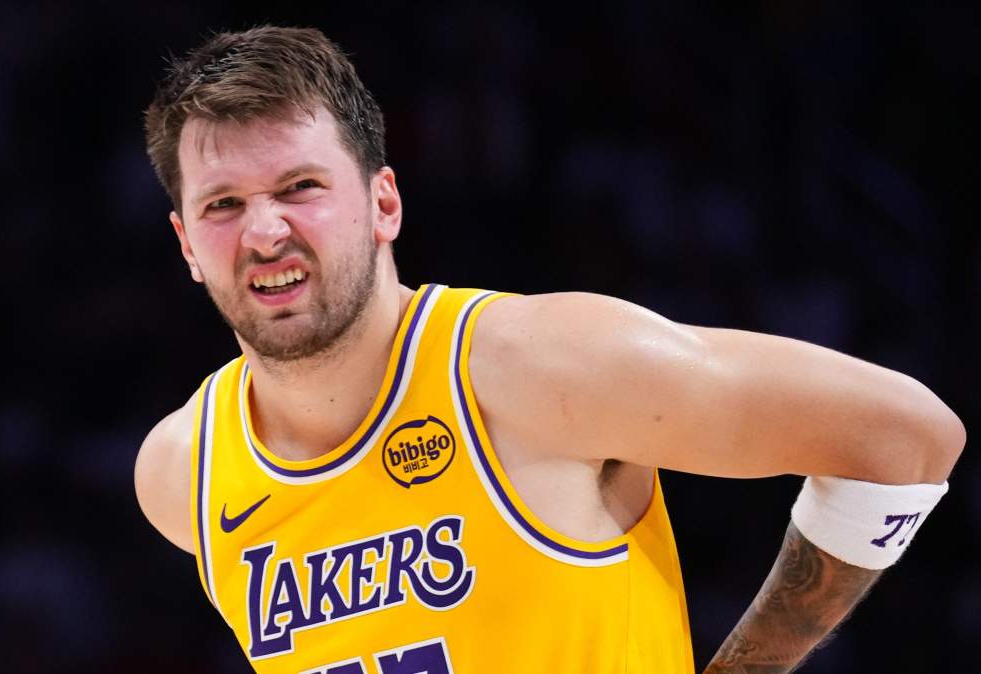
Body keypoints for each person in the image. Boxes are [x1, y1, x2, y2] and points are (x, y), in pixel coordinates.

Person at [134, 25, 965, 674]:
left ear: (384, 204)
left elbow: (906, 436)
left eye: (300, 187)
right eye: (223, 204)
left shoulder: (534, 368)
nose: (265, 232)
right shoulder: (181, 475)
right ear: (186, 243)